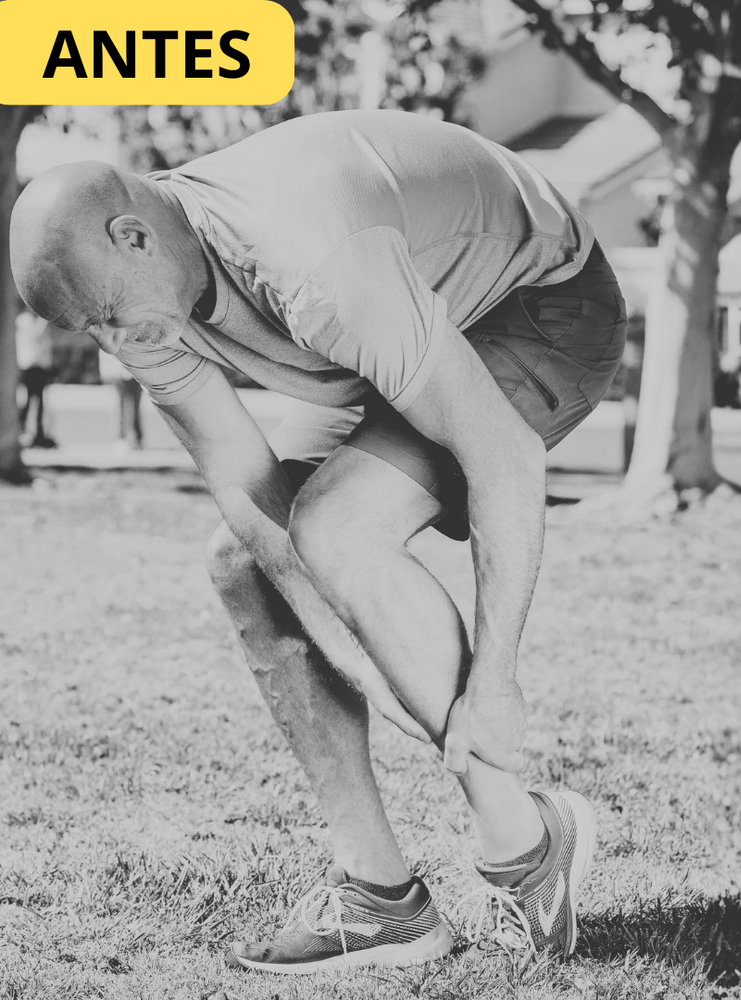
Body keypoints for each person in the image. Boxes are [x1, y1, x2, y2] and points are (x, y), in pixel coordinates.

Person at [9, 110, 627, 975]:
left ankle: (525, 845)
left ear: (133, 235)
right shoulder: (141, 293)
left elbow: (507, 458)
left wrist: (495, 682)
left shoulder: (310, 256)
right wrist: (344, 645)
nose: (117, 346)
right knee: (245, 563)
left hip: (541, 303)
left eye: (108, 315)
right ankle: (381, 899)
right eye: (93, 331)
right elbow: (241, 480)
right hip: (400, 318)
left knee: (338, 527)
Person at [15, 307, 58, 448]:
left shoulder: (34, 320)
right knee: (28, 400)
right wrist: (44, 319)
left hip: (40, 366)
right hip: (29, 366)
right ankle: (22, 430)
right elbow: (36, 334)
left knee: (40, 402)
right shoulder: (24, 320)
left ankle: (39, 433)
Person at [98, 348, 144, 452]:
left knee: (135, 408)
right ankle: (121, 438)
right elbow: (105, 351)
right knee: (120, 407)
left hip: (134, 373)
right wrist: (105, 371)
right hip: (118, 374)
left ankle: (137, 439)